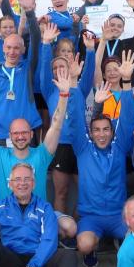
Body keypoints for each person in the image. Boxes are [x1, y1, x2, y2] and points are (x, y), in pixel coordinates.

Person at [0, 71, 77, 239]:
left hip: (38, 216)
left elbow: (56, 126)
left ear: (31, 134)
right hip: (7, 217)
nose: (20, 136)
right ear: (10, 135)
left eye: (24, 133)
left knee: (70, 227)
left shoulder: (42, 154)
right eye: (16, 133)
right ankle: (6, 241)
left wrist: (64, 95)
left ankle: (44, 239)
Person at [70, 54, 134, 267]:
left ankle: (122, 245)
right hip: (91, 217)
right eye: (97, 130)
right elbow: (75, 118)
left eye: (106, 130)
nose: (101, 134)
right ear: (90, 133)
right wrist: (73, 83)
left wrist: (126, 83)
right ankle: (92, 251)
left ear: (112, 131)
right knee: (84, 244)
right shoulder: (83, 148)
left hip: (118, 215)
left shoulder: (119, 146)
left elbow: (127, 119)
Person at [39, 23, 96, 214]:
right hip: (60, 145)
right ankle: (62, 229)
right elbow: (44, 69)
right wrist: (45, 44)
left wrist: (90, 50)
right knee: (61, 192)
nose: (59, 69)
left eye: (62, 66)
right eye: (55, 67)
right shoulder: (49, 90)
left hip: (81, 145)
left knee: (85, 192)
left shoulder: (80, 87)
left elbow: (89, 72)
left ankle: (80, 226)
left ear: (70, 67)